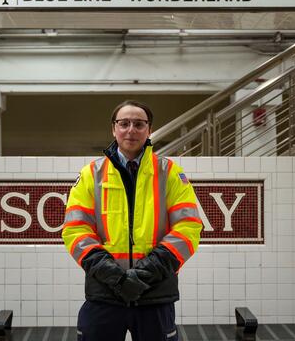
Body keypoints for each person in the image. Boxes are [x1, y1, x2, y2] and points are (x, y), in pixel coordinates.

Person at [62, 100, 203, 341]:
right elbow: (75, 230)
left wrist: (145, 274)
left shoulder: (169, 173)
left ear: (149, 130)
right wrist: (113, 276)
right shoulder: (90, 174)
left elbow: (188, 227)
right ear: (113, 129)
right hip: (104, 292)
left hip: (154, 293)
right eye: (124, 123)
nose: (131, 130)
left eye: (139, 124)